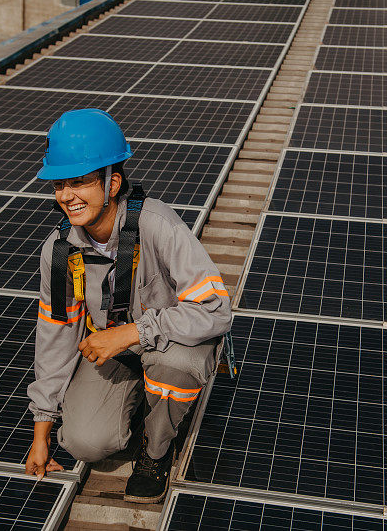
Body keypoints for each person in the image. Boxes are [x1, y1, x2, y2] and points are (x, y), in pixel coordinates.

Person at [25, 108, 232, 503]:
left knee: (176, 369)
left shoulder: (157, 225)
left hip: (173, 344)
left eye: (80, 181)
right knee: (85, 443)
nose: (66, 195)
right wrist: (42, 430)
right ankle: (140, 401)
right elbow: (55, 336)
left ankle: (155, 452)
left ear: (113, 182)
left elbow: (216, 309)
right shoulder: (59, 251)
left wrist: (131, 332)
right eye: (58, 185)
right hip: (117, 353)